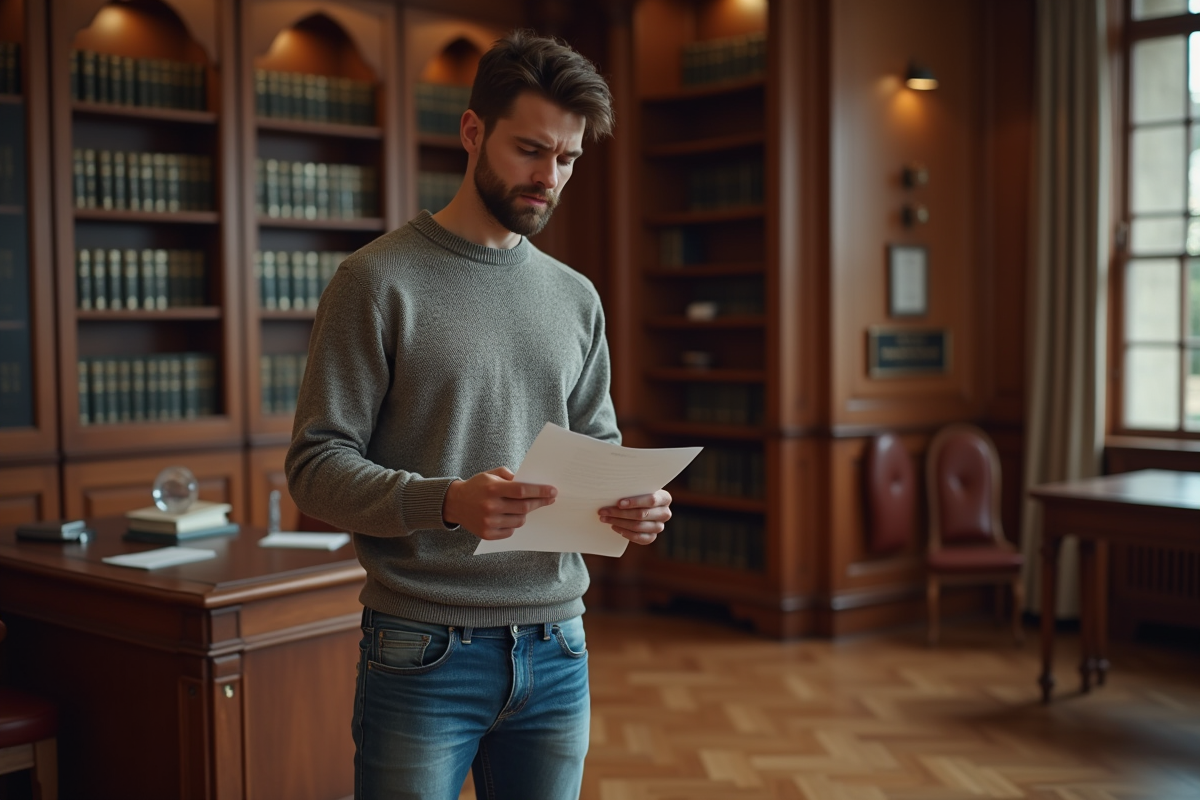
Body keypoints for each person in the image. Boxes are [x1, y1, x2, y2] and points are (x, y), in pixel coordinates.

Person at [286, 29, 673, 800]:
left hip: (559, 647)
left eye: (567, 159)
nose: (549, 177)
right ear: (472, 131)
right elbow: (315, 468)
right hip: (421, 649)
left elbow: (598, 446)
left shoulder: (576, 297)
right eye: (530, 150)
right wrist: (447, 502)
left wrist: (632, 503)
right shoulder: (375, 281)